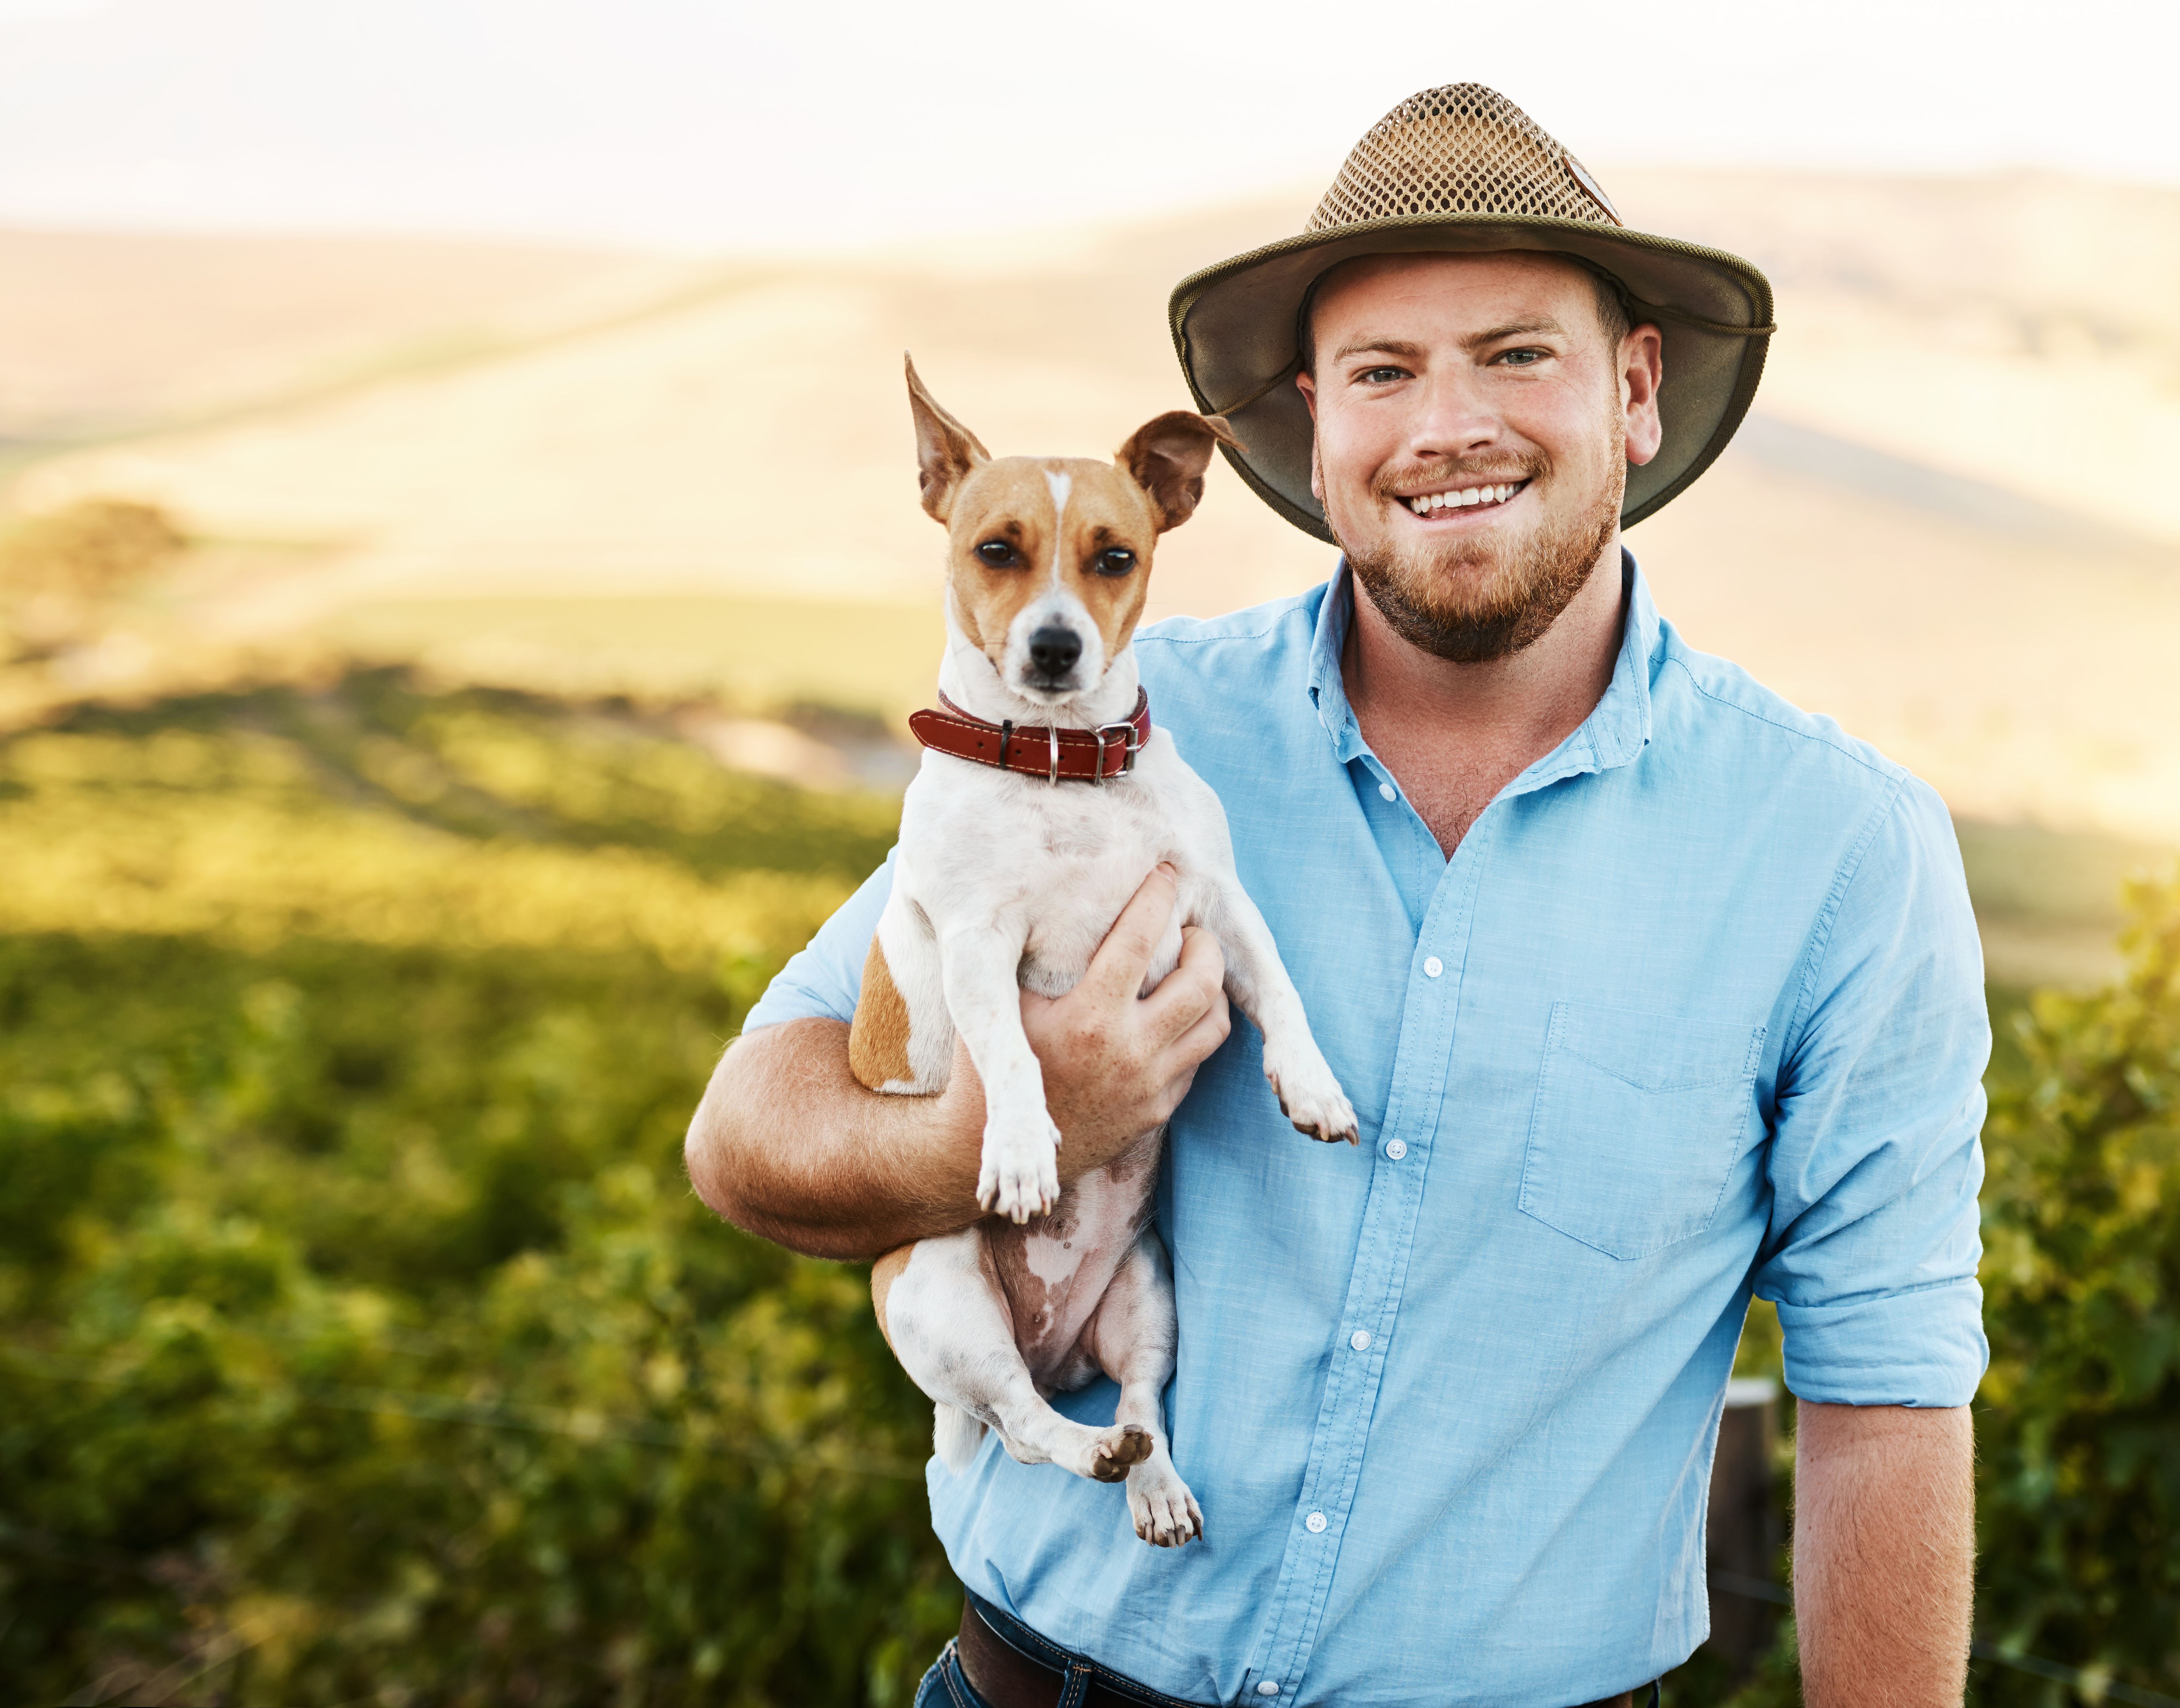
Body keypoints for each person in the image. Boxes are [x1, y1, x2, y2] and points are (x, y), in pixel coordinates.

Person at [688, 84, 1986, 1708]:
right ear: (1313, 424)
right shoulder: (1097, 741)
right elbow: (750, 1124)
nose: (1445, 425)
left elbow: (1887, 1407)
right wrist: (1006, 1131)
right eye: (1382, 371)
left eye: (1515, 353)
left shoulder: (1836, 855)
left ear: (1634, 390)